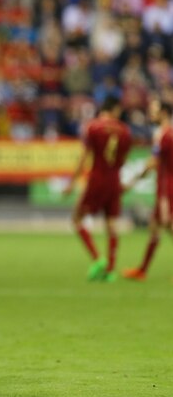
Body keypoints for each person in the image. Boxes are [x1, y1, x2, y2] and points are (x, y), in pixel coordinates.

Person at [63, 95, 132, 282]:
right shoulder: (125, 131)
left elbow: (84, 157)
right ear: (115, 109)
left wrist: (71, 183)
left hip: (97, 179)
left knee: (77, 218)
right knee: (112, 224)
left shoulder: (93, 127)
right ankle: (110, 269)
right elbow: (123, 160)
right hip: (114, 180)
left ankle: (97, 258)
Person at [123, 101, 173, 281]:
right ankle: (142, 269)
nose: (151, 114)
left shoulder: (164, 134)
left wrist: (134, 180)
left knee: (166, 224)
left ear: (164, 113)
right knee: (156, 227)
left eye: (154, 110)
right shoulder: (165, 133)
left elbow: (153, 162)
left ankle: (142, 270)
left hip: (167, 187)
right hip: (164, 184)